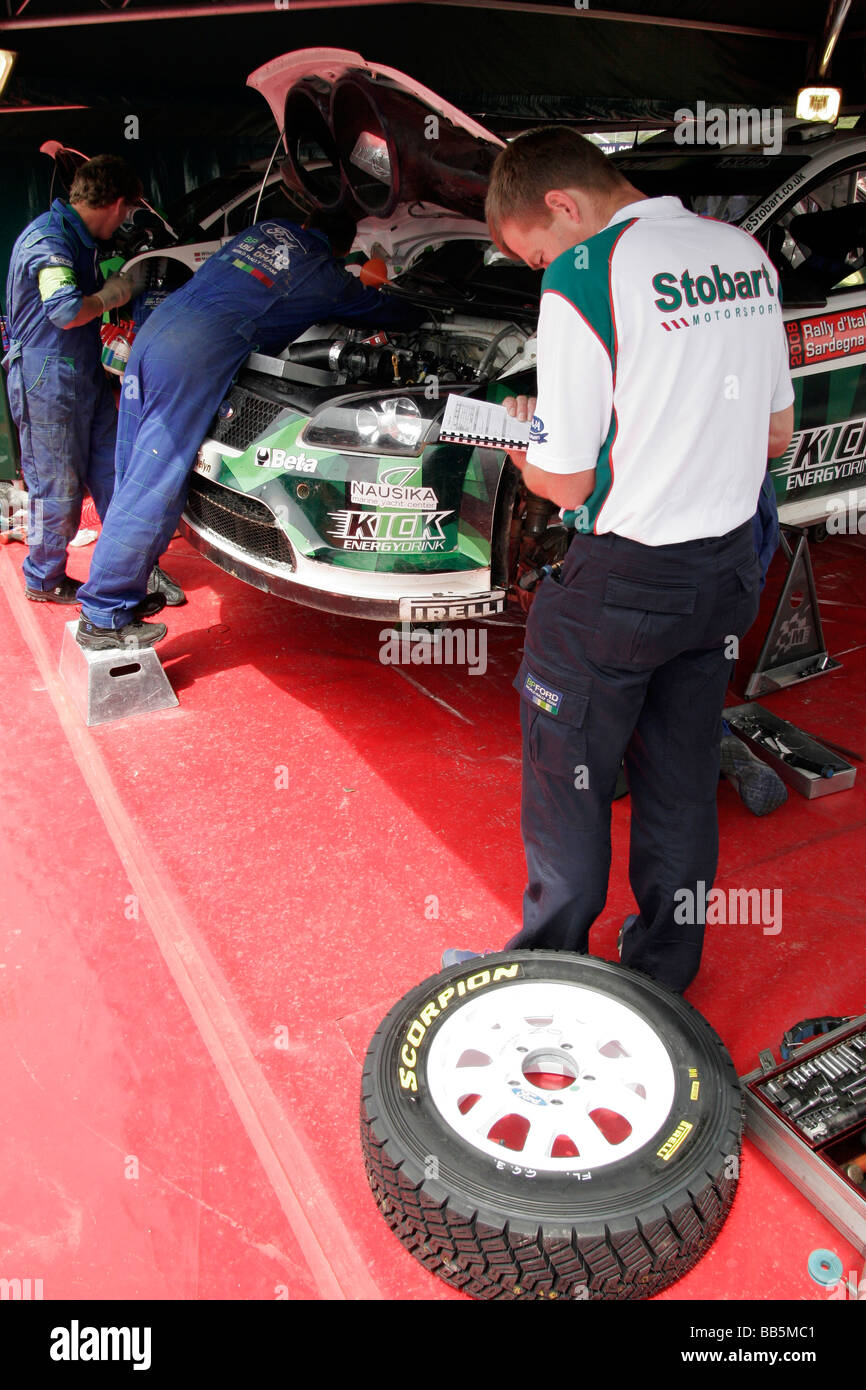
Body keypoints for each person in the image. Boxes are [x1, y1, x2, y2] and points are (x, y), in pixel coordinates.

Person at [444, 128, 794, 994]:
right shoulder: (741, 250)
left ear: (563, 206)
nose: (540, 272)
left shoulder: (587, 273)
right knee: (679, 778)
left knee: (570, 776)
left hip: (622, 584)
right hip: (724, 572)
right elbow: (776, 434)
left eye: (534, 254)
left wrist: (527, 439)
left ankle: (552, 966)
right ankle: (664, 968)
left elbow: (565, 482)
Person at [75, 211, 424, 649]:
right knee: (153, 486)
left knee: (132, 474)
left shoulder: (267, 230)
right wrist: (423, 311)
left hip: (156, 333)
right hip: (192, 355)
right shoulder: (324, 275)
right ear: (340, 247)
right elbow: (383, 310)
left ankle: (128, 587)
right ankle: (104, 615)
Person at [2, 155, 182, 605]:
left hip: (83, 372)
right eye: (126, 213)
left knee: (114, 475)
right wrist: (113, 294)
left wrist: (110, 271)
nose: (124, 222)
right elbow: (64, 311)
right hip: (47, 378)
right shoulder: (49, 240)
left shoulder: (77, 240)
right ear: (117, 204)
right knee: (57, 486)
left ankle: (138, 568)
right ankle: (44, 579)